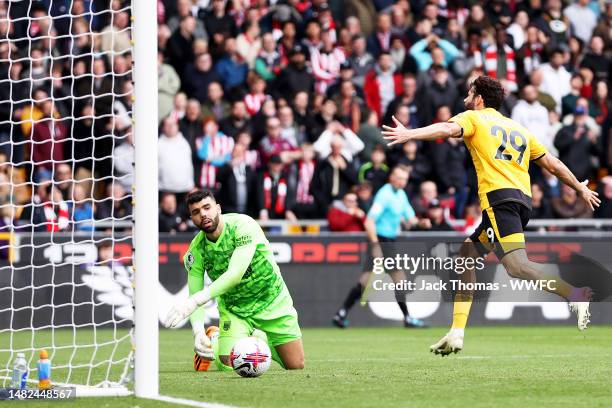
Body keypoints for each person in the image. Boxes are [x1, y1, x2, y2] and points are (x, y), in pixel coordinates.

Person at [382, 76, 600, 356]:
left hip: (500, 200)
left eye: (469, 93)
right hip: (521, 201)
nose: (465, 98)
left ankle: (576, 295)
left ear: (479, 99)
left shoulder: (475, 118)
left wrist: (411, 133)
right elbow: (553, 164)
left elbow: (448, 128)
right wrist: (579, 188)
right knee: (466, 255)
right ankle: (456, 332)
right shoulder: (517, 128)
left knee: (516, 266)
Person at [164, 189, 304, 371]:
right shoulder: (195, 251)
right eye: (196, 212)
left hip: (272, 300)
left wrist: (194, 301)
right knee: (229, 364)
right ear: (192, 218)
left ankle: (257, 339)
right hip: (235, 309)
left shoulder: (243, 226)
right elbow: (195, 292)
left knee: (295, 366)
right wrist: (197, 331)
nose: (203, 214)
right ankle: (214, 339)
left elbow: (235, 274)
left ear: (218, 208)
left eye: (207, 207)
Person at [332, 165, 426, 329]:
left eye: (404, 179)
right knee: (400, 280)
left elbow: (410, 219)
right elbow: (369, 222)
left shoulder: (401, 194)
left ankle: (341, 313)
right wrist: (376, 246)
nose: (402, 182)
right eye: (399, 178)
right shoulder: (385, 194)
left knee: (366, 280)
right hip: (381, 241)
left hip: (387, 241)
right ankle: (408, 318)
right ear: (392, 178)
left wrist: (421, 223)